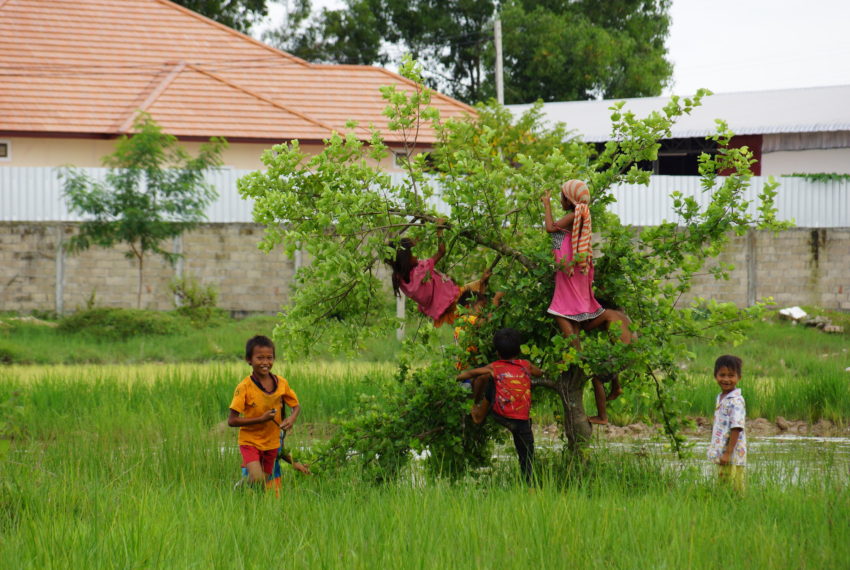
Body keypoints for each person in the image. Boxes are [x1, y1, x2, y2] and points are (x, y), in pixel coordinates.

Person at [541, 180, 634, 425]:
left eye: (561, 196)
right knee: (570, 318)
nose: (560, 200)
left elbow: (550, 228)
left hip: (568, 278)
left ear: (568, 200)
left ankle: (574, 356)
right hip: (571, 276)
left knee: (561, 315)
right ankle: (575, 355)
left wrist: (545, 204)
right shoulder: (577, 218)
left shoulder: (573, 215)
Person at [456, 328, 543, 484]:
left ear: (497, 352)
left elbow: (470, 374)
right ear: (519, 349)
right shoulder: (526, 365)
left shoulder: (495, 366)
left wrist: (453, 378)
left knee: (491, 380)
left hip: (500, 414)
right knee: (526, 457)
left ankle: (478, 414)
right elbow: (539, 373)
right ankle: (530, 487)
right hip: (522, 419)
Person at [386, 219, 491, 328]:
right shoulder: (420, 272)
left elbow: (403, 256)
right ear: (405, 260)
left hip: (442, 309)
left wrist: (421, 231)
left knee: (476, 297)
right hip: (453, 300)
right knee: (479, 309)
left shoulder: (400, 278)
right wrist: (439, 230)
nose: (416, 255)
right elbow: (441, 251)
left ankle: (482, 284)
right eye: (413, 253)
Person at [228, 335, 301, 490]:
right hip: (250, 441)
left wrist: (292, 418)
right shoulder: (244, 387)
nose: (265, 362)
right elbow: (232, 421)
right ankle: (239, 488)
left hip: (272, 442)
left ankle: (250, 499)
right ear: (249, 359)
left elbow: (296, 406)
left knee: (266, 480)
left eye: (269, 358)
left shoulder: (281, 383)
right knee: (257, 478)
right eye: (260, 358)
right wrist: (260, 419)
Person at [707, 354, 747, 492]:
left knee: (735, 487)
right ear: (715, 376)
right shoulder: (721, 398)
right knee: (723, 484)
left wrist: (728, 453)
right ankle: (724, 506)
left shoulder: (736, 401)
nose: (726, 379)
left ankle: (738, 507)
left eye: (731, 375)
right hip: (724, 452)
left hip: (732, 454)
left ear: (738, 378)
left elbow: (736, 428)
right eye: (722, 375)